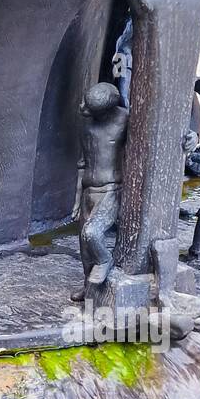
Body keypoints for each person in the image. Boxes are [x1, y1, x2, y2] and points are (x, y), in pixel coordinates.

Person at [72, 82, 128, 301]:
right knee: (84, 248)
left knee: (91, 234)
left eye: (89, 107)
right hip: (88, 190)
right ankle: (89, 290)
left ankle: (105, 260)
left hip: (110, 190)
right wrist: (77, 200)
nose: (82, 108)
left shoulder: (124, 119)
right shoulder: (87, 125)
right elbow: (82, 163)